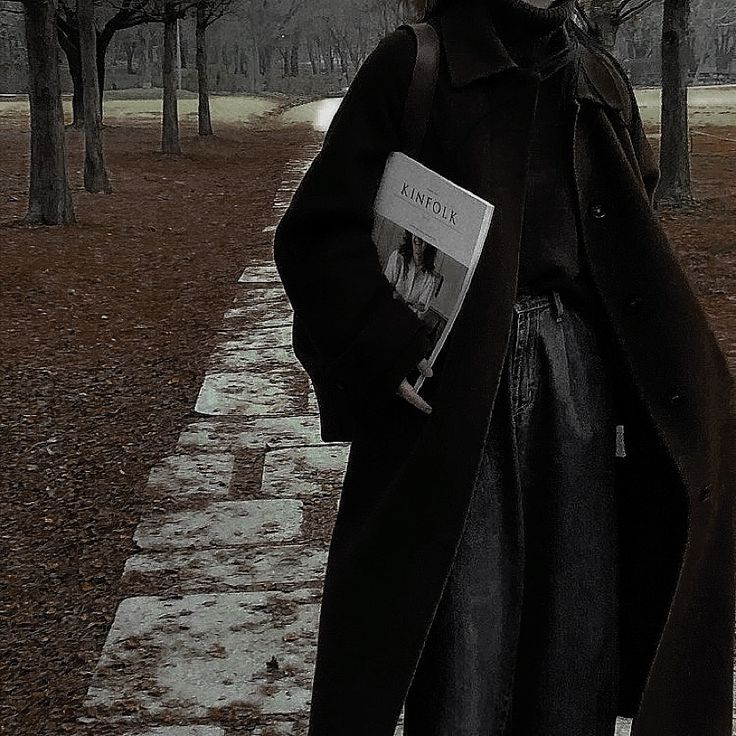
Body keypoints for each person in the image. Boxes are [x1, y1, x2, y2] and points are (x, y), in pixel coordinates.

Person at [273, 0, 735, 734]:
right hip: (454, 393)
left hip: (574, 379)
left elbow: (632, 212)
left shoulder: (595, 78)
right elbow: (319, 233)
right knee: (465, 646)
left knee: (575, 637)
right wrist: (387, 344)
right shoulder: (415, 64)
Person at [384, 230, 443, 318]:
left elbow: (420, 312)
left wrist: (399, 299)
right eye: (416, 233)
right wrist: (411, 306)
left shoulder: (431, 278)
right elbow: (385, 290)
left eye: (424, 237)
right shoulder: (397, 258)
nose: (418, 239)